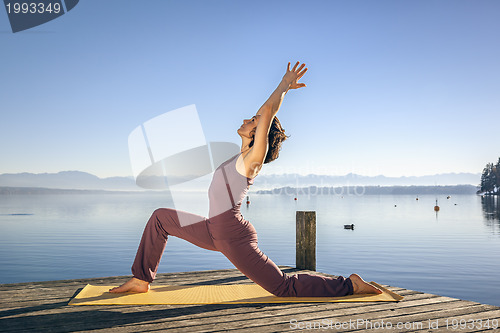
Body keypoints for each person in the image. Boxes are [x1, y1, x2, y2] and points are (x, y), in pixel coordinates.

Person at [110, 62, 382, 296]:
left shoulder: (253, 161)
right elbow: (262, 118)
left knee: (283, 287)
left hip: (232, 236)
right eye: (253, 119)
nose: (247, 119)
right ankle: (141, 280)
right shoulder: (240, 155)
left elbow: (267, 112)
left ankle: (349, 285)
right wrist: (252, 129)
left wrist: (283, 86)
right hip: (212, 229)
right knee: (161, 217)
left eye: (253, 121)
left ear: (260, 135)